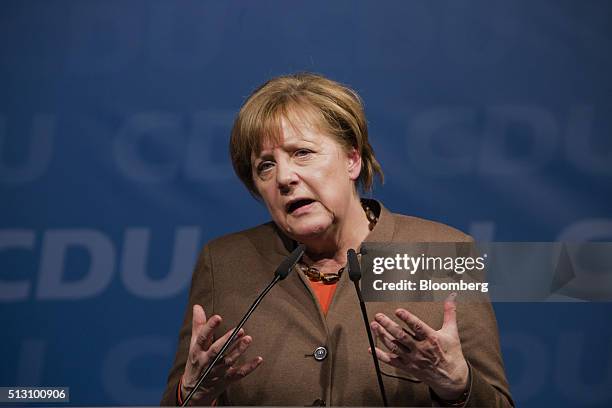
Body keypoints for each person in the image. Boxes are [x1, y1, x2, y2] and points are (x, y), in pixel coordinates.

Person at [160, 73, 513, 406]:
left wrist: (457, 385)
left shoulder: (440, 253)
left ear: (352, 159)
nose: (284, 177)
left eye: (302, 153)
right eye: (265, 166)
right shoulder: (225, 263)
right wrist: (194, 391)